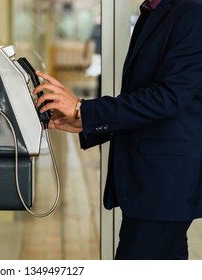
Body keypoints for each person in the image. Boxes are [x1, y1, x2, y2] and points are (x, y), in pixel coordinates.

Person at [33, 0, 202, 259]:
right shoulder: (154, 11)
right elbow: (146, 98)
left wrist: (82, 109)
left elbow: (169, 98)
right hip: (153, 184)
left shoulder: (193, 10)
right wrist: (86, 121)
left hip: (164, 185)